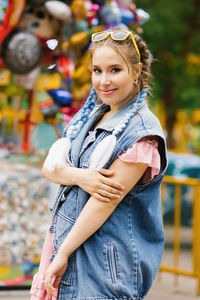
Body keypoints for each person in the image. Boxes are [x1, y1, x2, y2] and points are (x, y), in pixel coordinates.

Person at [30, 29, 167, 300]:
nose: (104, 81)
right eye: (97, 70)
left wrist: (63, 253)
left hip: (104, 267)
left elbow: (103, 203)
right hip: (72, 249)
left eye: (115, 70)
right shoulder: (92, 116)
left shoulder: (141, 133)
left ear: (137, 71)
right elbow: (50, 168)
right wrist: (81, 177)